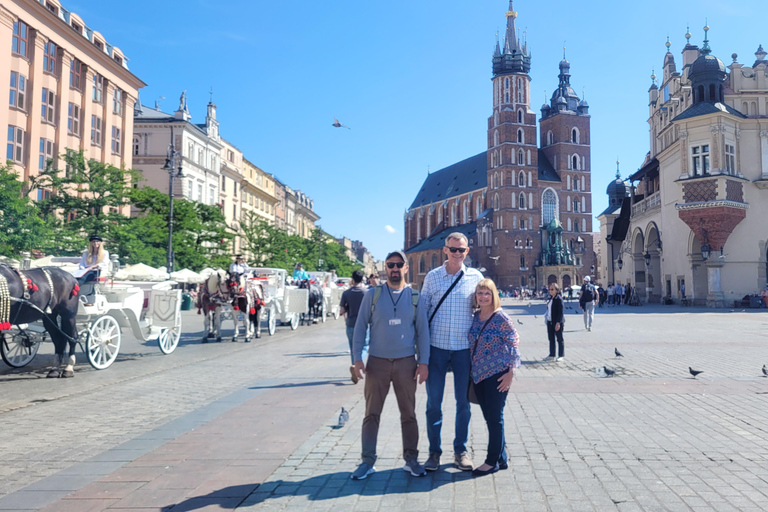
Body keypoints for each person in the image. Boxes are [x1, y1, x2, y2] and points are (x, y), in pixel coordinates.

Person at [350, 251, 430, 480]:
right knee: (371, 414)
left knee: (409, 414)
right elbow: (360, 327)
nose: (395, 269)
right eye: (390, 265)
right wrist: (357, 358)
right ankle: (367, 461)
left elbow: (423, 332)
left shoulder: (415, 297)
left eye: (399, 265)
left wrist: (423, 362)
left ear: (406, 268)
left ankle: (411, 459)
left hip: (406, 363)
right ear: (386, 268)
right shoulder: (372, 295)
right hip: (377, 363)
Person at [420, 232, 484, 472]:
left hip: (462, 350)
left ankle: (461, 451)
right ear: (445, 250)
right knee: (433, 403)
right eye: (453, 249)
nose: (458, 253)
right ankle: (434, 453)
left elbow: (487, 308)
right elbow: (423, 314)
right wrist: (421, 354)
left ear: (467, 252)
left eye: (462, 250)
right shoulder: (433, 277)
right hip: (436, 348)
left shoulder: (475, 277)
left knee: (463, 404)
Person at [468, 278, 521, 476]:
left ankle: (491, 462)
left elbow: (514, 343)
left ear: (494, 295)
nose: (483, 297)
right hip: (479, 375)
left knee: (495, 418)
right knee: (490, 417)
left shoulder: (501, 318)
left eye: (487, 293)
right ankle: (501, 458)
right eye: (480, 293)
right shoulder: (475, 316)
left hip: (497, 375)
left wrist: (511, 373)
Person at [340, 270, 366, 383]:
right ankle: (358, 365)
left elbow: (342, 310)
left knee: (353, 348)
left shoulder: (346, 293)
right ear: (362, 279)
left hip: (350, 323)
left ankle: (354, 367)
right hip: (364, 324)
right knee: (365, 345)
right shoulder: (366, 292)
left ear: (353, 279)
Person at [544, 282, 565, 362]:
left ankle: (561, 355)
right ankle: (552, 355)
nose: (550, 291)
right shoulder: (550, 298)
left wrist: (558, 323)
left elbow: (561, 312)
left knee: (559, 339)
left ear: (557, 290)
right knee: (551, 339)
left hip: (557, 322)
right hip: (550, 321)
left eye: (552, 289)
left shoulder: (559, 299)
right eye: (549, 289)